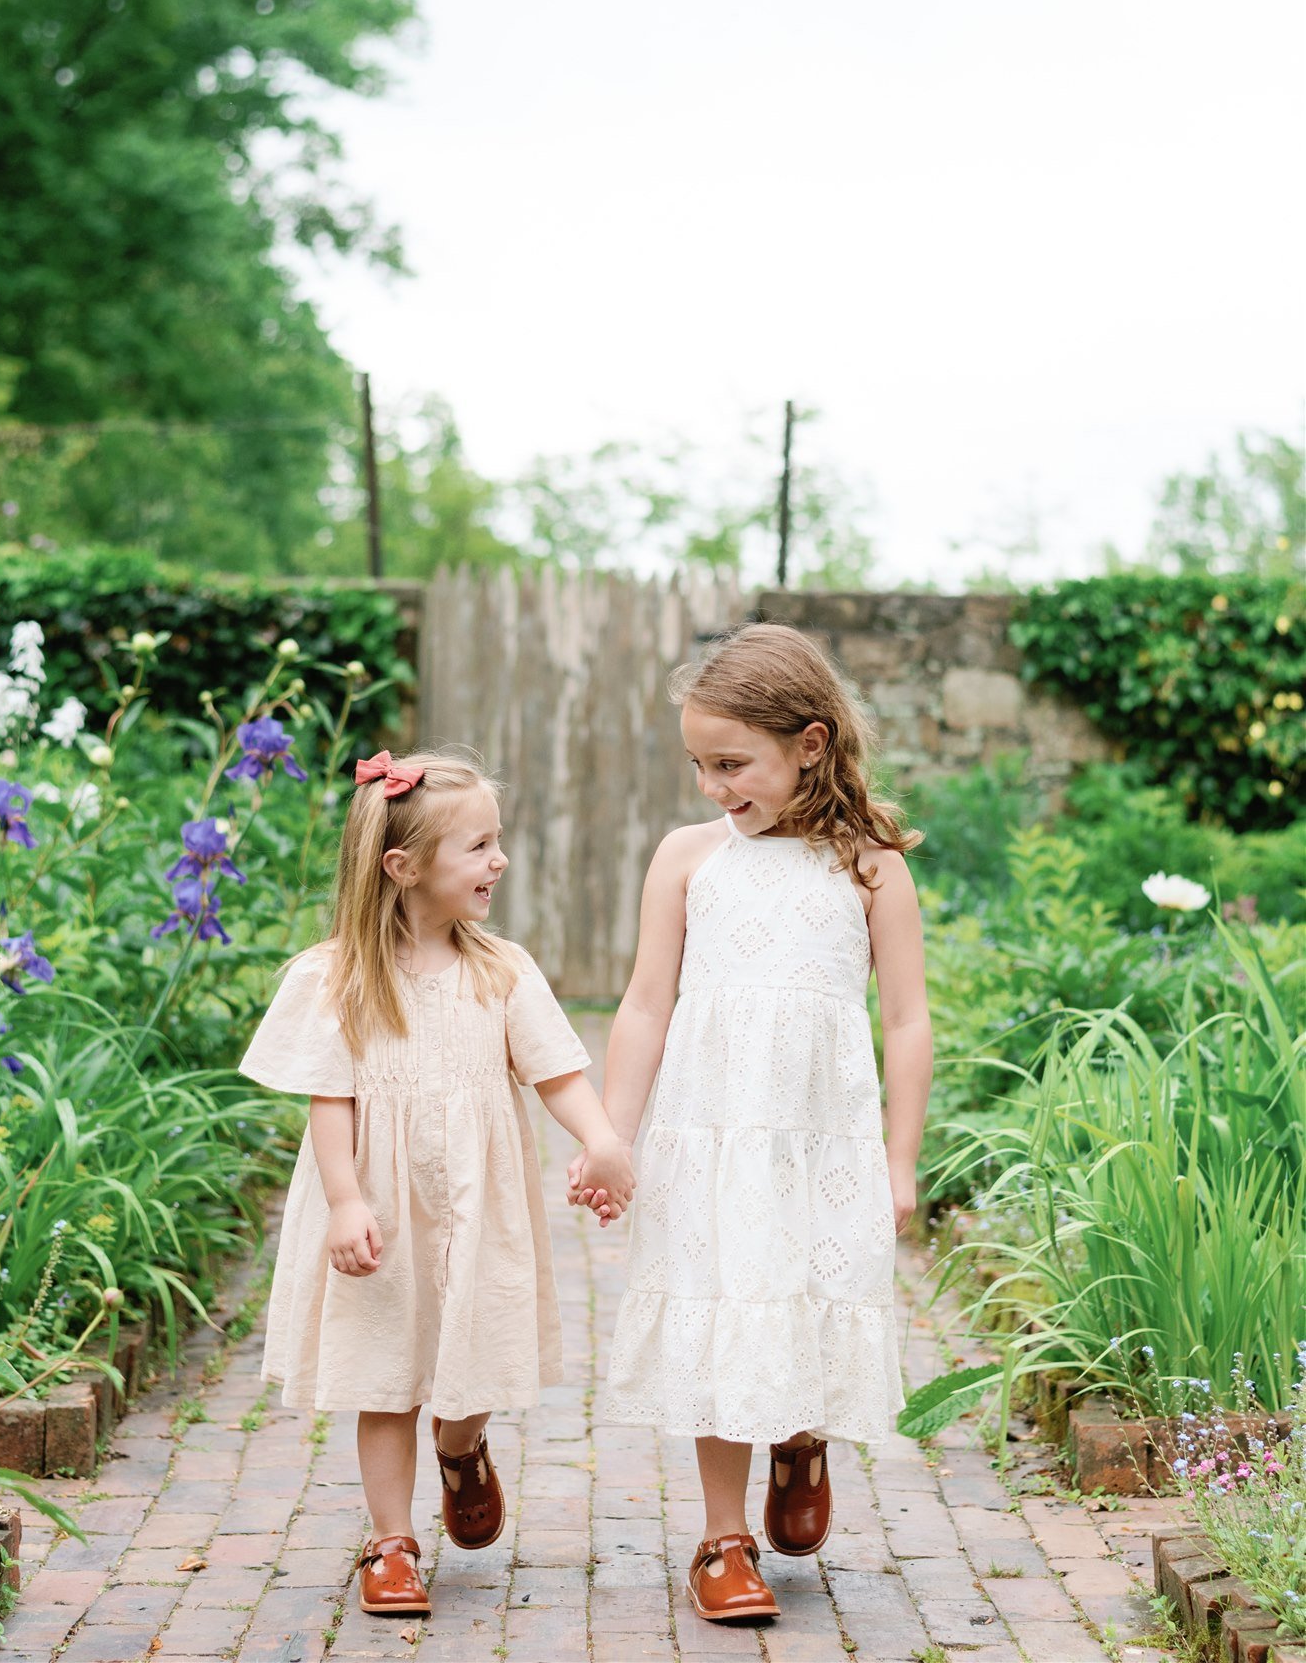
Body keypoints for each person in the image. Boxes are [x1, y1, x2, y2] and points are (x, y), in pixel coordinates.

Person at [570, 624, 931, 1624]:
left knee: (808, 1287)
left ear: (808, 743)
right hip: (706, 1128)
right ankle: (721, 1539)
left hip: (818, 1134)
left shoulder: (868, 866)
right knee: (715, 1305)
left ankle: (800, 1431)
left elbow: (904, 1017)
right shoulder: (688, 858)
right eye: (698, 763)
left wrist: (898, 1159)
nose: (710, 786)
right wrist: (614, 1133)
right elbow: (645, 1002)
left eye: (730, 763)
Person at [240, 749, 633, 1619]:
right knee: (384, 1376)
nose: (498, 861)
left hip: (476, 1205)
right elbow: (330, 1101)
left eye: (497, 843)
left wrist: (601, 1138)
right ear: (403, 867)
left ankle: (462, 1450)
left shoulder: (502, 970)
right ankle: (391, 1543)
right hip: (377, 1209)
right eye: (478, 847)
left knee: (474, 1357)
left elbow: (557, 1071)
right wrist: (345, 1200)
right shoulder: (338, 977)